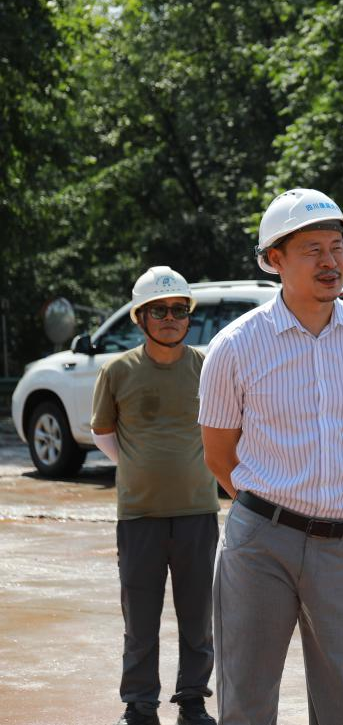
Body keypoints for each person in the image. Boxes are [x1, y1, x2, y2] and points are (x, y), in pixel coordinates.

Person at [197, 188, 343, 725]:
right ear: (275, 259)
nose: (330, 261)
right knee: (246, 700)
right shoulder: (235, 346)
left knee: (340, 703)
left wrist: (324, 500)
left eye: (337, 247)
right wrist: (275, 509)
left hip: (341, 545)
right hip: (260, 544)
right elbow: (218, 454)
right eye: (312, 250)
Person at [91, 266, 219, 725]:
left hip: (197, 512)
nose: (170, 318)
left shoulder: (207, 367)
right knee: (140, 621)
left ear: (189, 316)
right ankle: (140, 705)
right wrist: (138, 466)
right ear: (139, 317)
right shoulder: (117, 370)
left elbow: (228, 430)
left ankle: (193, 702)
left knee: (197, 619)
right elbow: (103, 433)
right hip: (138, 515)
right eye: (159, 310)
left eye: (178, 310)